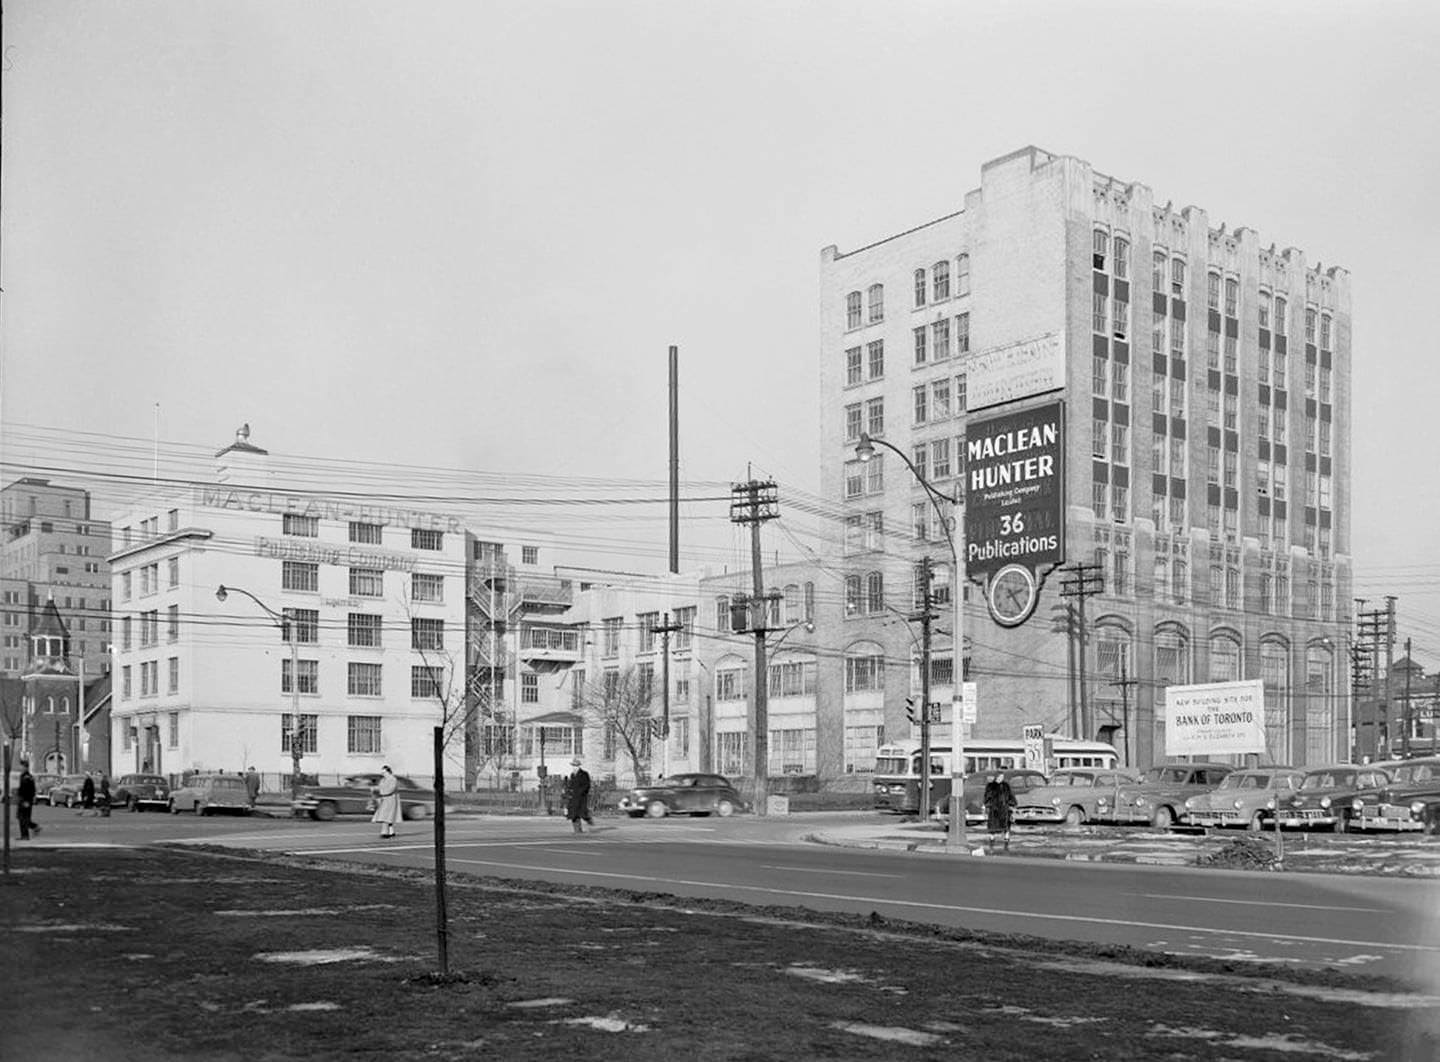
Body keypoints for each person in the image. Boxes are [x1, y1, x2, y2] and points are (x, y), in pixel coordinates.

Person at [982, 772, 1016, 852]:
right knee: (992, 829)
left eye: (1002, 777)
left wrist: (1012, 804)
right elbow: (987, 797)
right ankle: (991, 846)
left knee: (1006, 828)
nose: (1001, 778)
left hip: (1004, 810)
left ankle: (1006, 846)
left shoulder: (1006, 786)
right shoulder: (991, 786)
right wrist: (988, 805)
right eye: (1000, 777)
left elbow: (1011, 795)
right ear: (996, 777)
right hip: (995, 811)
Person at [371, 765, 401, 839]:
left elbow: (390, 790)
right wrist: (375, 789)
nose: (382, 773)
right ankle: (391, 832)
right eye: (382, 772)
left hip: (390, 800)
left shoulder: (393, 779)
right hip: (384, 800)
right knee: (388, 816)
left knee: (385, 816)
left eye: (384, 772)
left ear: (388, 771)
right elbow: (380, 787)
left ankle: (385, 832)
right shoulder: (383, 780)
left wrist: (380, 792)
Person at [565, 757, 592, 833]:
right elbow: (571, 785)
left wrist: (581, 792)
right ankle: (577, 829)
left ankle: (581, 826)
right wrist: (569, 791)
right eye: (573, 766)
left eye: (576, 766)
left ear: (579, 766)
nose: (574, 767)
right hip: (573, 797)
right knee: (573, 814)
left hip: (581, 797)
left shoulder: (584, 774)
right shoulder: (572, 775)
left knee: (580, 812)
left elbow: (587, 785)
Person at [16, 759, 41, 839]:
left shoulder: (28, 777)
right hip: (22, 799)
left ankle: (26, 835)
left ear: (25, 767)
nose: (20, 768)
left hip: (26, 800)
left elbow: (30, 789)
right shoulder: (23, 776)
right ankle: (32, 829)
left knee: (24, 817)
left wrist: (27, 800)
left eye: (22, 766)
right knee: (20, 817)